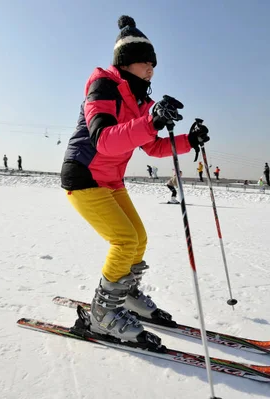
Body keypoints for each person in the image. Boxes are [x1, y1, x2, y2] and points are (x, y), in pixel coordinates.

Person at [59, 15, 210, 343]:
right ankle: (101, 314)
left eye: (154, 64)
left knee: (138, 238)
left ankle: (125, 295)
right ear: (126, 63)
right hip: (84, 176)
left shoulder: (142, 100)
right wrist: (151, 121)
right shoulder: (103, 87)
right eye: (145, 62)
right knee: (124, 240)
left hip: (110, 179)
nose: (152, 69)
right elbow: (104, 139)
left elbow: (154, 146)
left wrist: (190, 140)